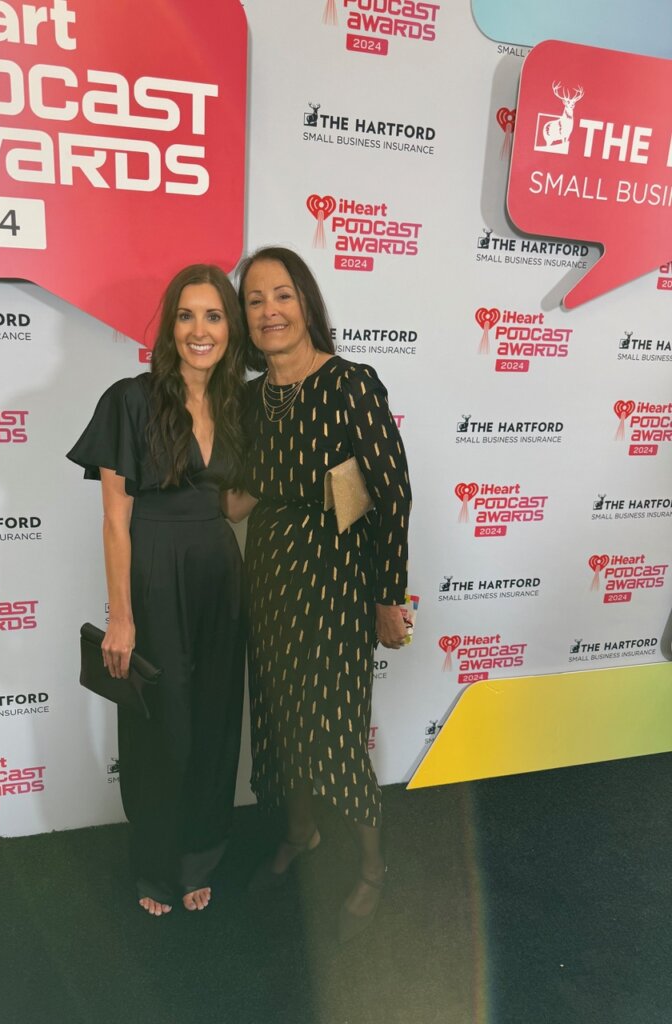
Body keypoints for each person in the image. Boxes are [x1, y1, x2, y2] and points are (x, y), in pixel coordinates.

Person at [226, 246, 412, 942]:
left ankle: (371, 865)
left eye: (282, 295)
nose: (269, 311)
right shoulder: (249, 397)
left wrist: (389, 597)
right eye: (255, 299)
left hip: (334, 578)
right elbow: (241, 497)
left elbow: (390, 492)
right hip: (269, 573)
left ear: (306, 303)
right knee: (278, 718)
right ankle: (301, 835)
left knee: (332, 729)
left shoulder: (350, 383)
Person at [67, 265, 247, 918]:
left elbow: (229, 507)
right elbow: (116, 518)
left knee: (213, 723)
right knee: (160, 730)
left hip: (220, 579)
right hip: (152, 577)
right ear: (170, 326)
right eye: (187, 315)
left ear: (231, 327)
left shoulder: (236, 407)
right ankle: (154, 865)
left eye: (214, 316)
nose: (201, 330)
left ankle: (200, 855)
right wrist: (121, 617)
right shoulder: (130, 401)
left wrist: (282, 465)